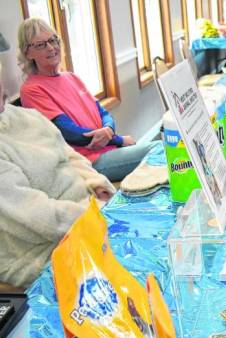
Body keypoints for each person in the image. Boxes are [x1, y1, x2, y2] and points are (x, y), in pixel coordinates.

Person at [0, 65, 115, 289]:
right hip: (41, 251)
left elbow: (69, 155)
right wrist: (95, 215)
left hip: (87, 213)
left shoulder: (27, 116)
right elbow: (33, 215)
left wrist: (95, 182)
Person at [17, 18, 156, 182]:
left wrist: (109, 130)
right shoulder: (32, 90)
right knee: (160, 149)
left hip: (109, 148)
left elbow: (104, 113)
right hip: (89, 161)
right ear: (27, 53)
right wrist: (120, 140)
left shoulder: (71, 77)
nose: (51, 47)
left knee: (163, 147)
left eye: (53, 40)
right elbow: (68, 133)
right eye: (41, 45)